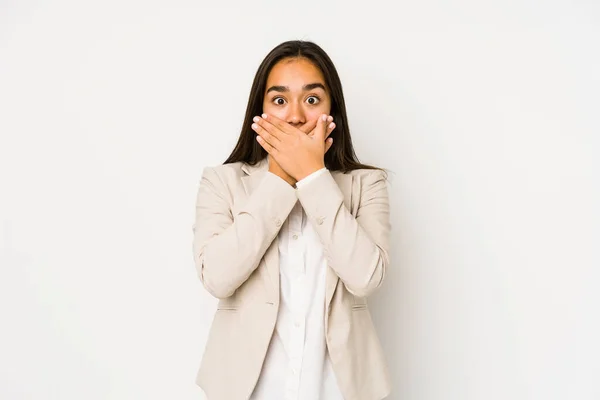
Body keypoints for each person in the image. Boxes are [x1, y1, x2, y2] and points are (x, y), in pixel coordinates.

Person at [192, 40, 392, 400]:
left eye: (312, 99)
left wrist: (314, 177)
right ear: (260, 111)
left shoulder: (367, 184)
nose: (296, 116)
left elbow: (365, 277)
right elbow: (217, 278)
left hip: (338, 390)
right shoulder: (222, 182)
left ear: (333, 110)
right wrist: (281, 180)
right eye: (280, 100)